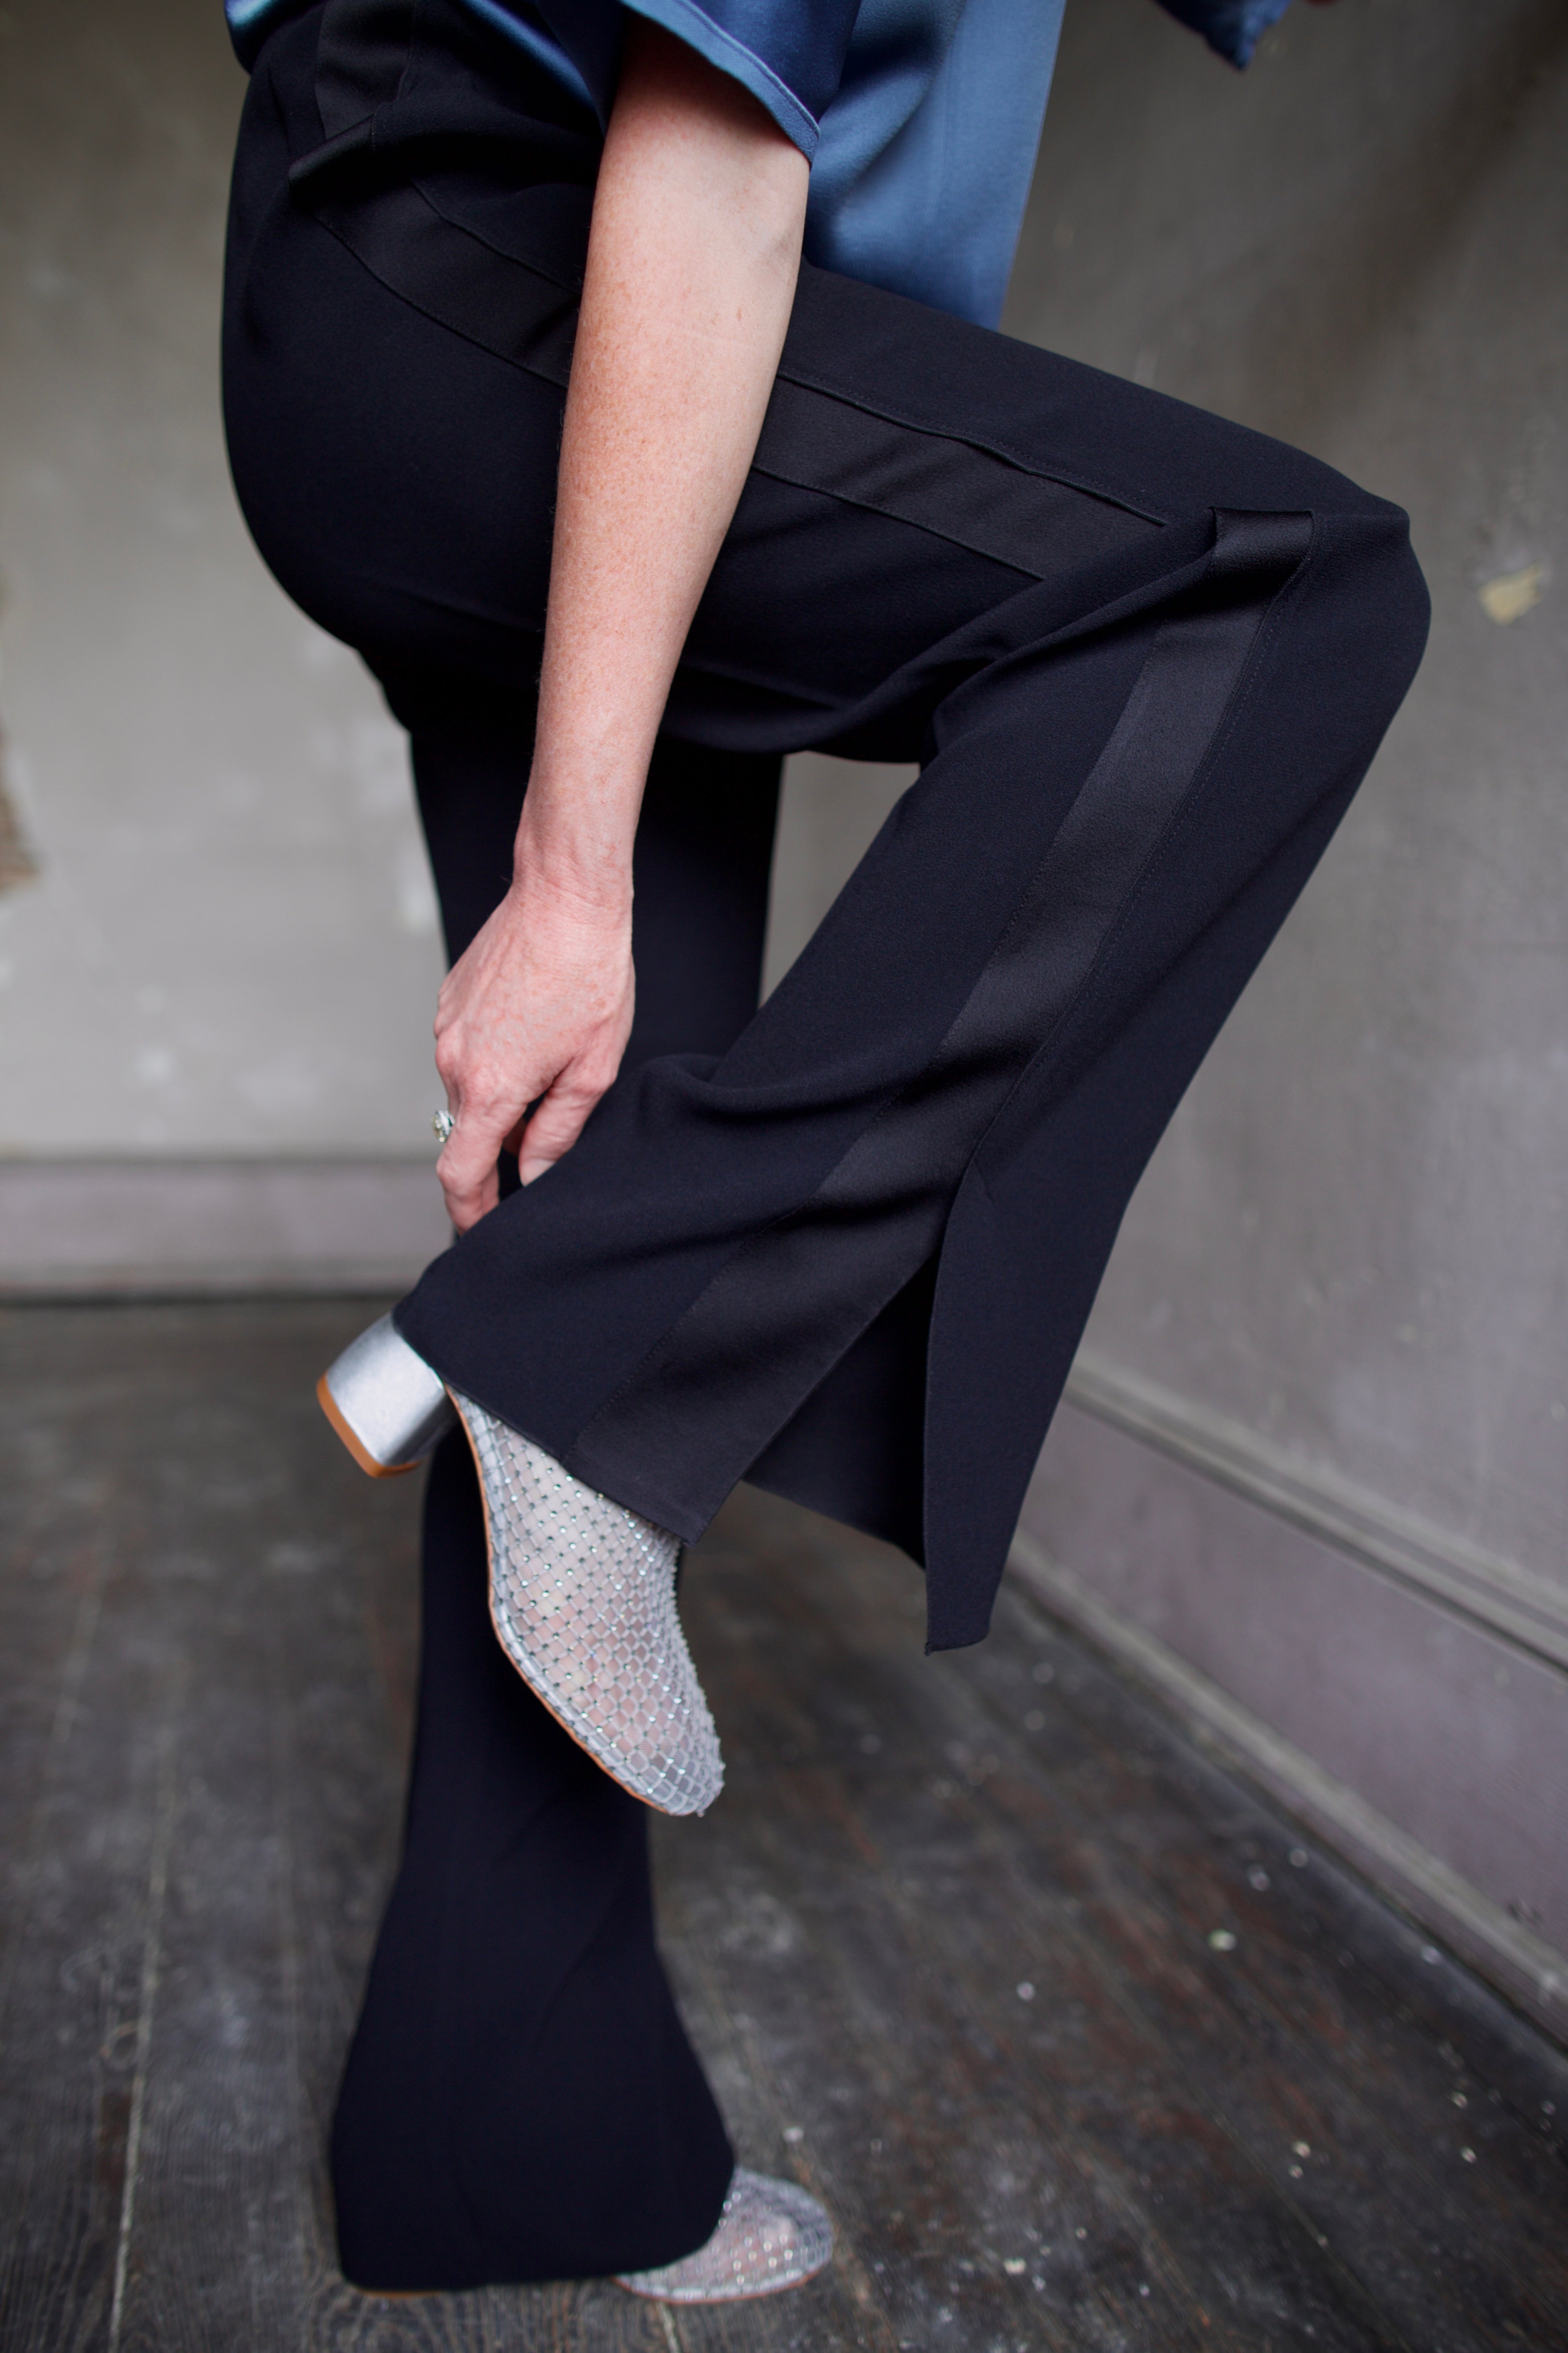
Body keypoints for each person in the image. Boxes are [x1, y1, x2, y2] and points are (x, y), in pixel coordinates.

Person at [220, 0, 1427, 2305]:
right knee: (1263, 580)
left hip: (432, 312)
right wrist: (569, 880)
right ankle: (582, 1350)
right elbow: (708, 139)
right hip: (524, 261)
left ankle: (509, 2138)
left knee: (588, 1148)